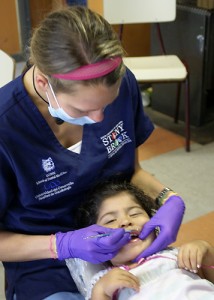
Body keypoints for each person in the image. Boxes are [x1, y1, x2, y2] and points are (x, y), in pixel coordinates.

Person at [0, 5, 185, 300]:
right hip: (46, 262)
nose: (99, 119)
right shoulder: (6, 127)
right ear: (44, 83)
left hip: (125, 242)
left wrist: (170, 199)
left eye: (107, 105)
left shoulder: (123, 83)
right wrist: (62, 245)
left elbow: (132, 172)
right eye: (83, 109)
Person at [71, 180, 214, 300]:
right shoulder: (104, 280)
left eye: (135, 213)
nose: (125, 222)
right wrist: (101, 291)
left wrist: (205, 252)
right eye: (110, 221)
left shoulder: (175, 256)